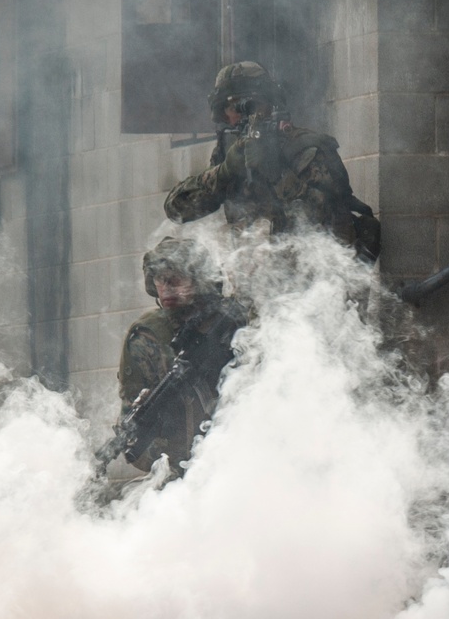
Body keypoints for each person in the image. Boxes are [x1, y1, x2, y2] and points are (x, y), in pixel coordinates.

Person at [164, 61, 380, 262]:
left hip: (313, 283)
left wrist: (275, 174)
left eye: (249, 106)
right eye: (233, 108)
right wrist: (224, 172)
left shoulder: (305, 148)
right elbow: (177, 210)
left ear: (269, 104)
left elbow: (323, 220)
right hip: (256, 283)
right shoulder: (231, 152)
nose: (238, 116)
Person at [114, 236, 242, 477]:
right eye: (160, 277)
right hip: (183, 475)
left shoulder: (231, 320)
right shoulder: (147, 336)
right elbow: (136, 442)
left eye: (177, 275)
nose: (167, 284)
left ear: (200, 278)